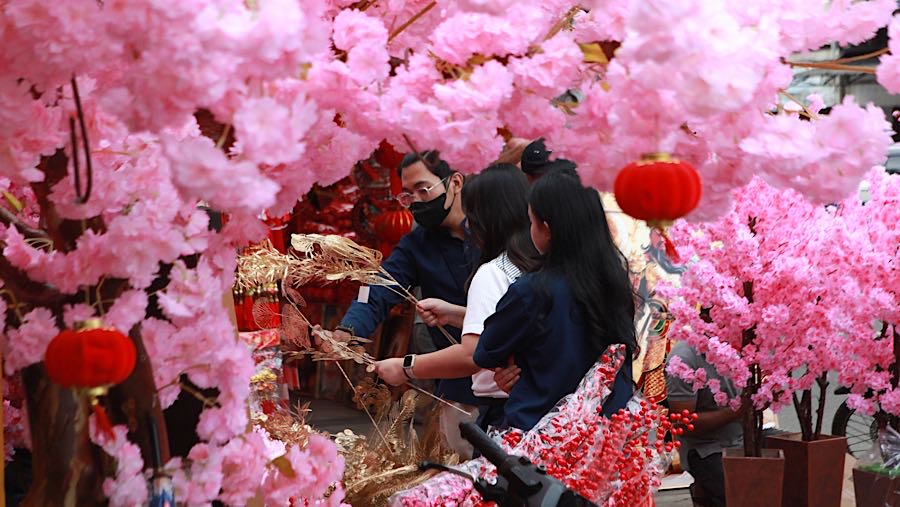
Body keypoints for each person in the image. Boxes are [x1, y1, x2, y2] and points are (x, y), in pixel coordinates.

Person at [331, 150, 480, 453]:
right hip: (459, 383)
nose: (416, 200)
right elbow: (381, 285)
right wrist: (349, 328)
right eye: (407, 195)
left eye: (423, 189)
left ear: (455, 183)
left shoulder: (492, 229)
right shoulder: (418, 243)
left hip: (514, 377)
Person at [374, 164, 541, 430]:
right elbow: (511, 324)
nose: (468, 223)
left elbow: (471, 354)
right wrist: (459, 314)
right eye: (407, 193)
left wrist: (406, 367)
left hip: (508, 412)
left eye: (422, 189)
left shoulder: (493, 273)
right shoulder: (544, 261)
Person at [472, 170, 637, 431]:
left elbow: (486, 350)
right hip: (607, 432)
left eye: (531, 222)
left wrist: (515, 362)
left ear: (546, 229)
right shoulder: (614, 282)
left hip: (545, 436)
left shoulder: (532, 290)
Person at [666, 340, 743, 507]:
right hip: (707, 447)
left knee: (798, 459)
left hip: (750, 434)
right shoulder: (684, 357)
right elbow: (682, 424)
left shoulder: (745, 343)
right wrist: (737, 411)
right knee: (735, 491)